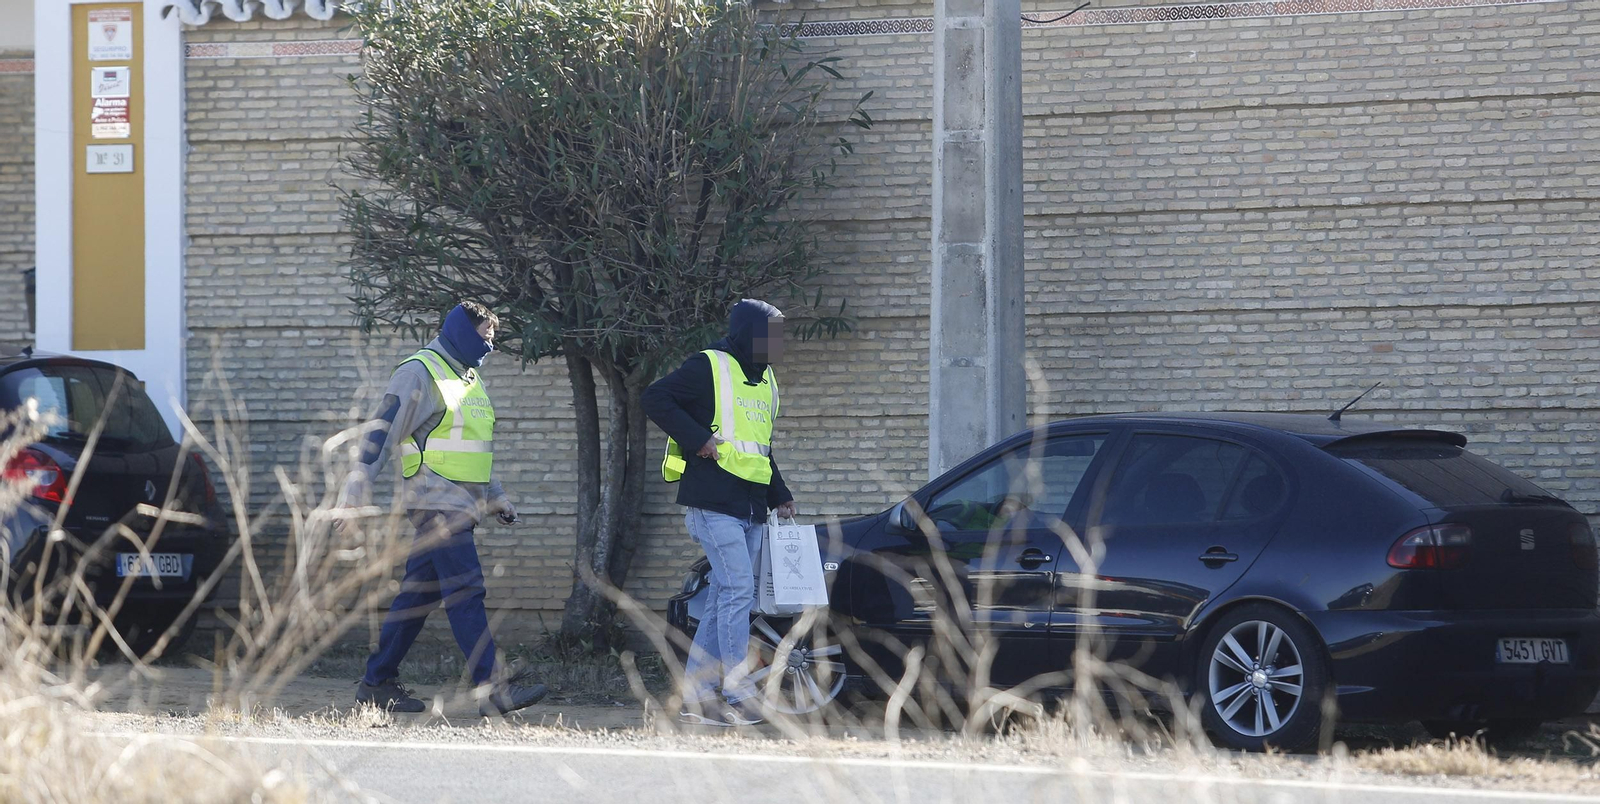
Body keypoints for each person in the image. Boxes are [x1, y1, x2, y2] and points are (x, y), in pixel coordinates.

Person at [340, 301, 547, 717]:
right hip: (435, 502)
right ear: (463, 331)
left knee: (416, 598)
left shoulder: (468, 379)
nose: (491, 346)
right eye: (485, 337)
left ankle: (377, 683)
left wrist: (496, 496)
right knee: (467, 590)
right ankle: (492, 687)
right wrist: (357, 483)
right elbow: (381, 431)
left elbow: (475, 449)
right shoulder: (419, 372)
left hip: (462, 505)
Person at [642, 299, 796, 727]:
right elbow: (655, 397)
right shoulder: (709, 365)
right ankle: (737, 689)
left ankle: (696, 694)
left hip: (750, 505)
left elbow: (762, 448)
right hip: (711, 503)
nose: (779, 343)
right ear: (749, 333)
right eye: (772, 333)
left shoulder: (767, 382)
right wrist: (697, 439)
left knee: (724, 598)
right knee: (737, 592)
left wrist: (779, 493)